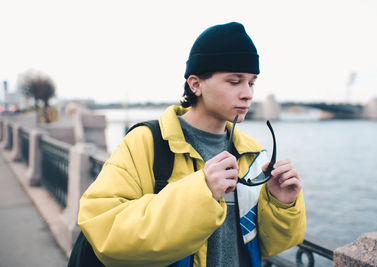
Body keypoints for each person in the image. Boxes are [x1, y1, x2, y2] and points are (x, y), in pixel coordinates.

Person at [78, 22, 306, 267]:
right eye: (234, 81)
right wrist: (202, 190)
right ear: (195, 84)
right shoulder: (147, 141)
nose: (247, 93)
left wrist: (281, 204)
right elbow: (104, 231)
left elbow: (270, 247)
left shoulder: (253, 155)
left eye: (251, 82)